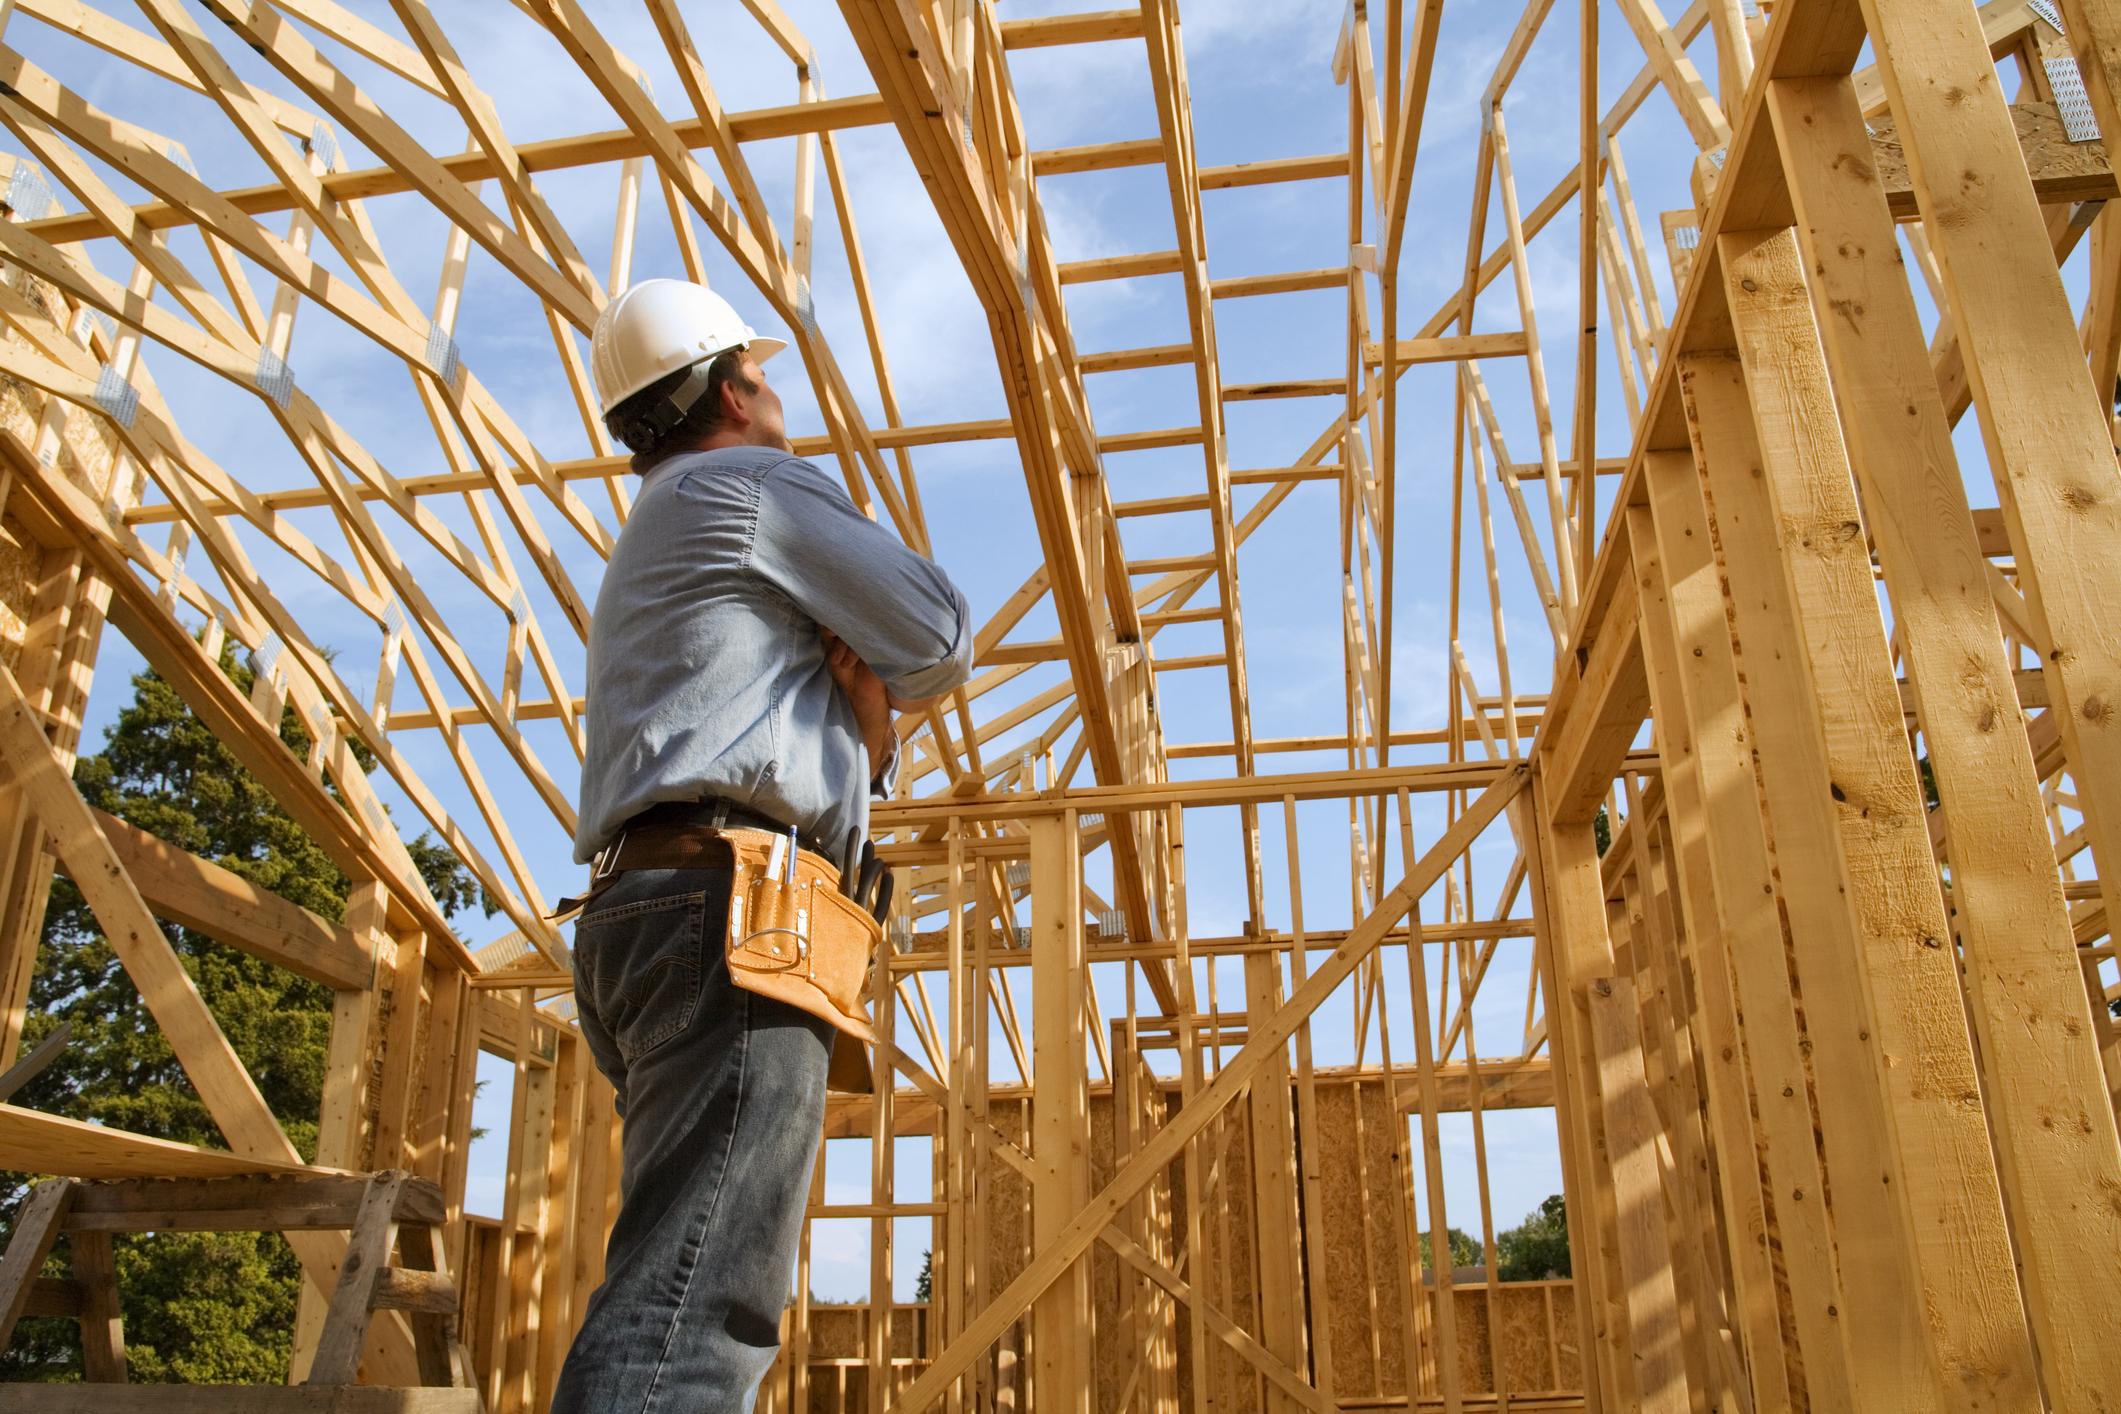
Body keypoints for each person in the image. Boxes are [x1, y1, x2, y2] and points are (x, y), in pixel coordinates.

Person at [552, 278, 972, 1411]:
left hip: (653, 910)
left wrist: (866, 732)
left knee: (667, 1284)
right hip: (733, 919)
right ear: (733, 392)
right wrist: (890, 676)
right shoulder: (751, 484)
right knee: (698, 1312)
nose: (775, 387)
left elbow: (773, 723)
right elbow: (935, 634)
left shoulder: (662, 525)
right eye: (762, 370)